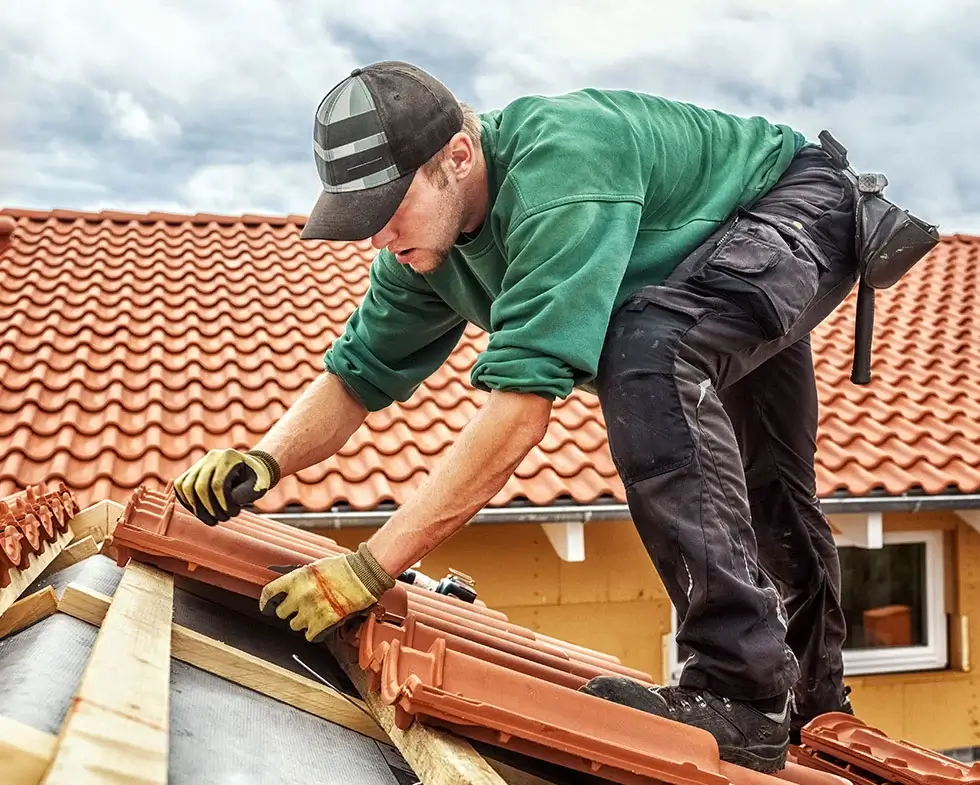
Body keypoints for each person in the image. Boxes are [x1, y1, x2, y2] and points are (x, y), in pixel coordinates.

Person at [173, 60, 858, 773]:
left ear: (457, 158)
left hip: (796, 203)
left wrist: (368, 568)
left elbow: (518, 415)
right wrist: (265, 458)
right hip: (711, 257)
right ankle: (813, 703)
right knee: (768, 476)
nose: (377, 238)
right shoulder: (424, 252)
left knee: (648, 354)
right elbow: (356, 376)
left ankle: (741, 687)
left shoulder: (560, 168)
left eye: (386, 209)